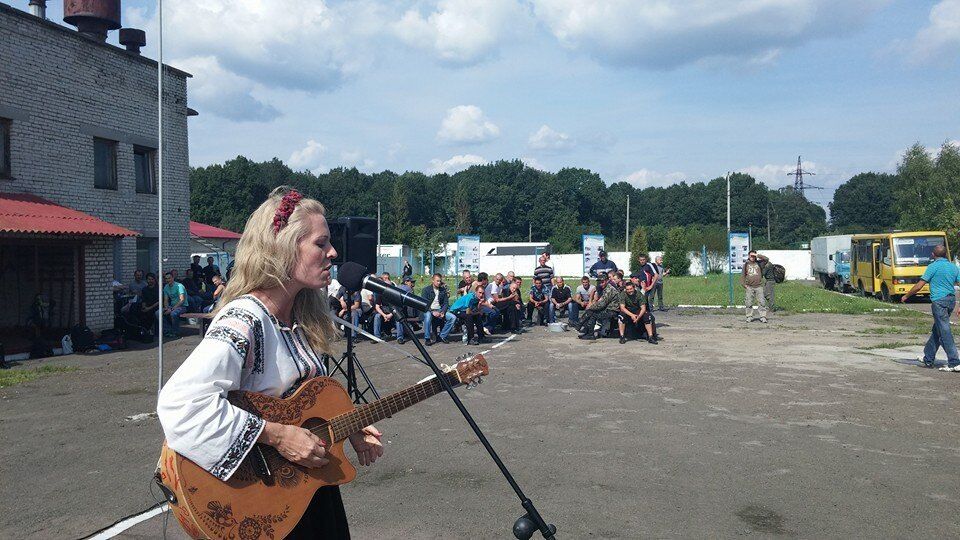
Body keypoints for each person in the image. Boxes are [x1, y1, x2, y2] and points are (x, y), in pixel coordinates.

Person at [157, 188, 382, 539]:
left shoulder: (296, 321)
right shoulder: (243, 320)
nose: (333, 253)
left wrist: (349, 428)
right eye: (321, 244)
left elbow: (298, 405)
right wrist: (279, 437)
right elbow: (181, 404)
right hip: (262, 495)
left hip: (306, 491)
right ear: (285, 248)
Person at [902, 244, 960, 371]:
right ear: (945, 254)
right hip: (951, 300)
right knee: (938, 330)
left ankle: (954, 361)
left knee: (944, 331)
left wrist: (906, 296)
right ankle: (928, 358)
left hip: (939, 302)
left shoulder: (932, 267)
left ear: (933, 255)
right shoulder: (953, 267)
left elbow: (919, 286)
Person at [576, 272, 621, 340]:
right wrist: (591, 305)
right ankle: (585, 329)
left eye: (602, 282)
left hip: (613, 311)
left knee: (593, 313)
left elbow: (602, 304)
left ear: (606, 281)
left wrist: (590, 307)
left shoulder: (609, 289)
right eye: (599, 282)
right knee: (592, 312)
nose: (600, 284)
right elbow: (597, 299)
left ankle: (584, 328)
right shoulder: (604, 288)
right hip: (607, 309)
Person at [421, 273, 455, 345]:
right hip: (429, 310)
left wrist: (443, 311)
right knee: (428, 316)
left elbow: (446, 303)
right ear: (432, 280)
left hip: (439, 310)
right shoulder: (426, 290)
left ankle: (442, 335)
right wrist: (432, 312)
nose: (439, 283)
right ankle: (427, 338)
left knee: (453, 317)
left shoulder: (443, 290)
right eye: (437, 281)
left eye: (440, 281)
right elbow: (424, 304)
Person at [742, 250, 767, 323]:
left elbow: (766, 259)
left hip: (759, 286)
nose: (752, 257)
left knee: (762, 302)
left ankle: (763, 316)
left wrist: (757, 255)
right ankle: (749, 316)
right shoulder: (746, 264)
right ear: (748, 256)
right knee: (748, 302)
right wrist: (744, 285)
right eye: (751, 256)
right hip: (749, 286)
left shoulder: (759, 263)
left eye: (753, 256)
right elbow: (743, 275)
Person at [161, 272, 188, 337]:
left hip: (182, 306)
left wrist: (171, 309)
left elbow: (182, 300)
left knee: (173, 313)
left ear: (173, 278)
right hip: (172, 306)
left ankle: (176, 332)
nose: (168, 280)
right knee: (158, 313)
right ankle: (167, 331)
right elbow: (166, 300)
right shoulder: (166, 287)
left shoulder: (179, 286)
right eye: (166, 279)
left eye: (169, 278)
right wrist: (167, 308)